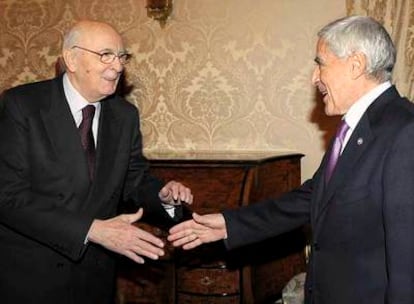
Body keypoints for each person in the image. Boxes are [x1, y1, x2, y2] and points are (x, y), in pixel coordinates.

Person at [168, 15, 414, 304]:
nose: (314, 77)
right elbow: (312, 198)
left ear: (355, 65)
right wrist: (230, 224)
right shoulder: (359, 127)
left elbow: (407, 265)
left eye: (320, 63)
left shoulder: (404, 131)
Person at [0, 20, 193, 304]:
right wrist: (91, 229)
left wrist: (165, 197)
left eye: (121, 57)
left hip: (94, 280)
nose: (117, 67)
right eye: (106, 55)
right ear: (72, 59)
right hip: (29, 279)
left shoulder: (125, 116)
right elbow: (7, 197)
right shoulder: (22, 105)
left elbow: (135, 182)